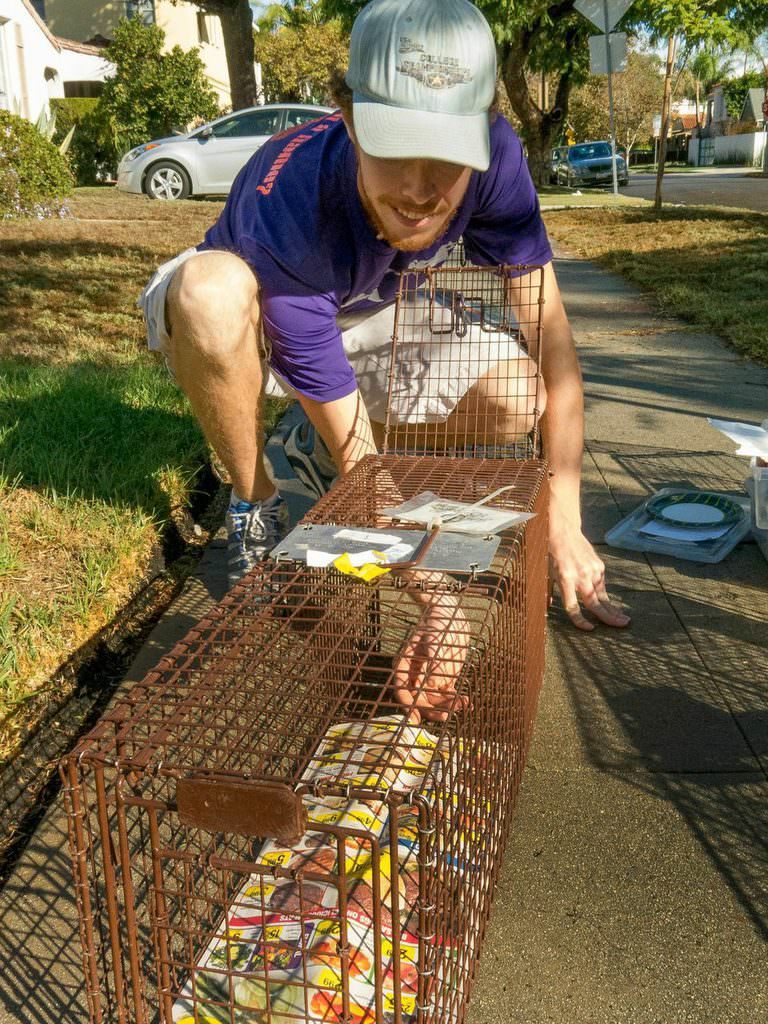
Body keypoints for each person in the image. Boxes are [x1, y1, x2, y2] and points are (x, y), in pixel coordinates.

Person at [139, 0, 629, 714]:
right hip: (246, 311)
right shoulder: (294, 209)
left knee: (520, 394)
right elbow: (363, 464)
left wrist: (564, 517)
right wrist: (435, 598)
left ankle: (308, 437)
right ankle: (256, 500)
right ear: (347, 115)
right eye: (396, 146)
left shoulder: (500, 161)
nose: (421, 189)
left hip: (366, 304)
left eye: (450, 156)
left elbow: (554, 344)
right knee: (211, 296)